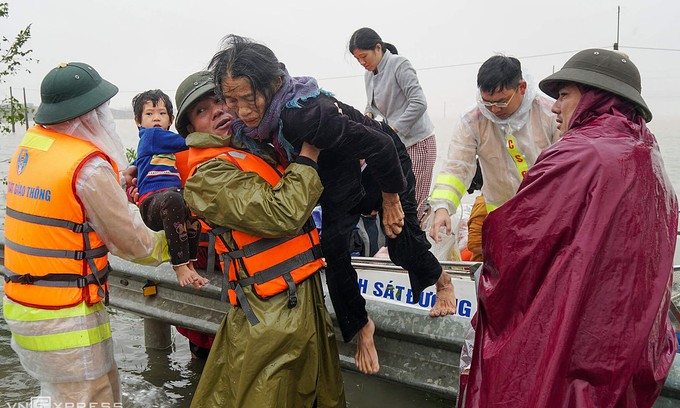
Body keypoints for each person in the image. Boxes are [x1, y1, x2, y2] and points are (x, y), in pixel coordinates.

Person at [209, 34, 457, 375]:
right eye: (232, 101)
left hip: (380, 161)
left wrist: (390, 198)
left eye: (249, 99)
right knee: (334, 250)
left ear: (275, 83)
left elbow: (382, 145)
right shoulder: (249, 125)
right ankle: (361, 326)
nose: (243, 111)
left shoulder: (306, 115)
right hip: (338, 179)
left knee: (398, 236)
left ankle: (442, 280)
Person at [465, 49, 678, 407]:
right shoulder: (651, 158)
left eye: (564, 95)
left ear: (598, 98)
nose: (554, 106)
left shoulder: (577, 155)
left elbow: (516, 245)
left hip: (568, 352)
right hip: (623, 356)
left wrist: (485, 270)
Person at [2, 62, 171, 405]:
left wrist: (114, 182)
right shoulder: (88, 167)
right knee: (90, 400)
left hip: (26, 303)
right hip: (66, 316)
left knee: (75, 396)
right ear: (88, 114)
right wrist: (177, 243)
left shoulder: (33, 146)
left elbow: (62, 202)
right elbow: (133, 243)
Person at [175, 70, 345, 407]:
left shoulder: (254, 150)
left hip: (306, 297)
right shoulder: (206, 176)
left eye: (222, 100)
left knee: (322, 396)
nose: (219, 111)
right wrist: (309, 151)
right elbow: (283, 213)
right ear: (190, 129)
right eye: (202, 110)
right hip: (271, 313)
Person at [429, 55, 559, 243]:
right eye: (487, 102)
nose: (495, 109)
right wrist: (442, 207)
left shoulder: (550, 113)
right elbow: (456, 168)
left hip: (548, 214)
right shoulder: (473, 120)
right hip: (501, 214)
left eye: (501, 101)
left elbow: (567, 169)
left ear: (521, 88)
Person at [349, 27, 436, 220]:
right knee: (396, 201)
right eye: (357, 59)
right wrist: (368, 115)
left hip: (417, 142)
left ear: (378, 48)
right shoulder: (369, 74)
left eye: (364, 56)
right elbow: (370, 104)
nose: (362, 62)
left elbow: (419, 102)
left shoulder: (399, 64)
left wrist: (393, 131)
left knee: (413, 204)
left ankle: (417, 241)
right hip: (395, 144)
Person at [132, 89, 208, 289]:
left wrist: (133, 167)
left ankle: (190, 264)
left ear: (171, 118)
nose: (156, 118)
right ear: (138, 121)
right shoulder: (153, 136)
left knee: (191, 208)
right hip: (152, 202)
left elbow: (141, 160)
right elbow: (188, 142)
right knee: (175, 200)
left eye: (162, 113)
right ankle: (179, 265)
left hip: (168, 200)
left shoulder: (156, 142)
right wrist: (209, 138)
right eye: (149, 114)